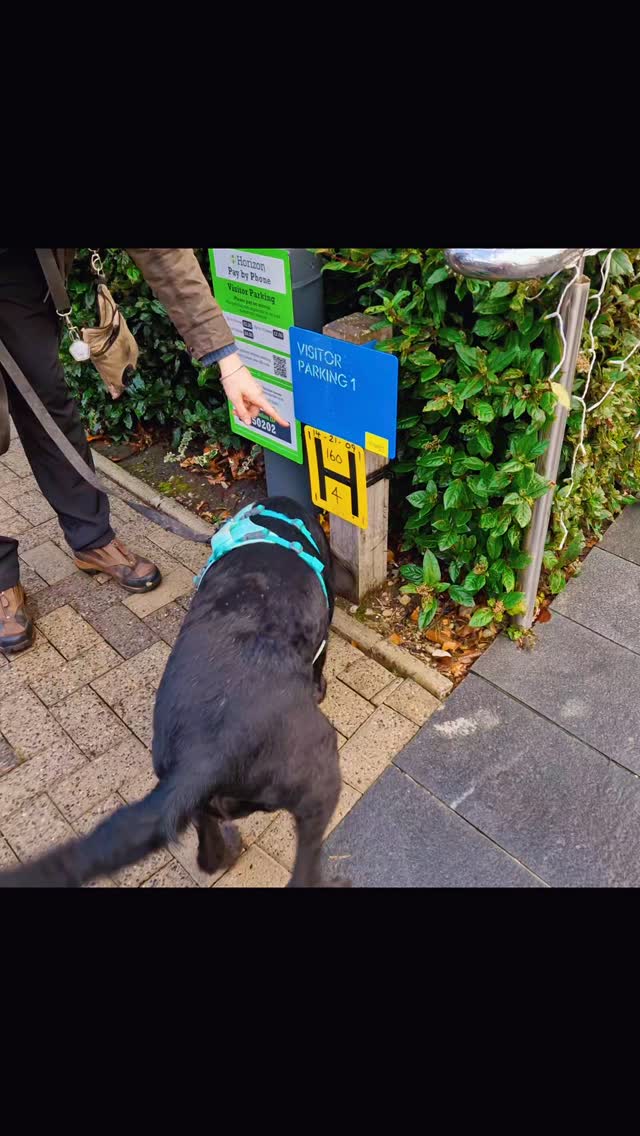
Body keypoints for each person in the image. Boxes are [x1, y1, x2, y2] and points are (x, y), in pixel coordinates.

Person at [0, 247, 288, 654]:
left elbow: (163, 251)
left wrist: (230, 363)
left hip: (18, 270)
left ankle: (91, 538)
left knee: (48, 401)